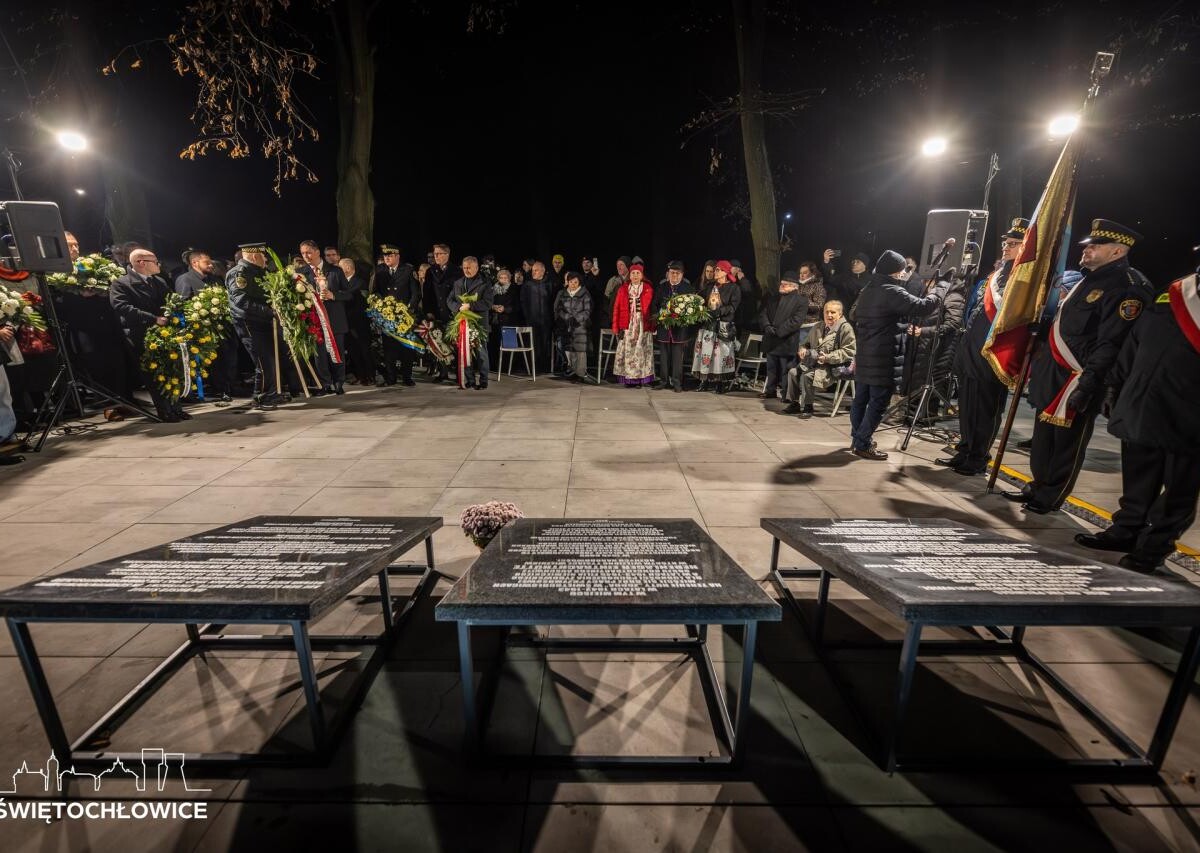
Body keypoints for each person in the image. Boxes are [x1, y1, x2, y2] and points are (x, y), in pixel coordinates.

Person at [1004, 219, 1153, 513]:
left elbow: (1111, 343)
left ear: (1117, 252)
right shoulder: (1087, 279)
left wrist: (1089, 384)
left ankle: (1051, 496)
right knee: (1044, 440)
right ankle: (1037, 486)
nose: (1087, 250)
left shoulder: (1127, 287)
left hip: (1079, 377)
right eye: (1088, 245)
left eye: (1096, 246)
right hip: (1053, 374)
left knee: (1066, 445)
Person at [1073, 266, 1200, 573]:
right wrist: (1115, 385)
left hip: (1189, 413)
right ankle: (1125, 531)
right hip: (1144, 402)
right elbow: (1135, 341)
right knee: (1138, 478)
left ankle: (1151, 551)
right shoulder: (1176, 291)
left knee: (1178, 492)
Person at [936, 218, 1027, 475]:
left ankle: (978, 457)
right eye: (1004, 243)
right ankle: (965, 449)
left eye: (1012, 244)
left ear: (1026, 246)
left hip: (992, 355)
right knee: (967, 406)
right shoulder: (997, 274)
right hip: (971, 350)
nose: (1005, 247)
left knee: (985, 409)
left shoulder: (1022, 278)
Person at [848, 250, 947, 460]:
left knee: (861, 399)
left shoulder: (868, 288)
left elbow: (855, 313)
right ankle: (863, 443)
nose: (904, 273)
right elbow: (923, 306)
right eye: (903, 269)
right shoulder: (891, 291)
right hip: (884, 355)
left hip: (866, 352)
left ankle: (857, 438)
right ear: (895, 270)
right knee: (878, 402)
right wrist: (941, 287)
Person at [109, 249, 187, 422]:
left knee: (171, 370)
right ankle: (164, 410)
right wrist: (153, 319)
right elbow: (122, 307)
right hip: (140, 334)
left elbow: (169, 301)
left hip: (163, 332)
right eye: (155, 261)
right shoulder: (121, 284)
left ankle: (176, 408)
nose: (159, 265)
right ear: (141, 262)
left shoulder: (158, 281)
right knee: (153, 374)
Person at [227, 242, 287, 408]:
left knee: (270, 358)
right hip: (249, 323)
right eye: (263, 255)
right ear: (254, 256)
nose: (266, 259)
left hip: (262, 321)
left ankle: (272, 393)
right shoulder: (240, 273)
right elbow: (241, 300)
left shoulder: (259, 272)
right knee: (263, 361)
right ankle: (261, 396)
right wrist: (269, 311)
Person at [782, 299, 856, 417]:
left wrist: (828, 357)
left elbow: (849, 351)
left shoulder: (845, 328)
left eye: (833, 312)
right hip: (813, 363)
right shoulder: (818, 326)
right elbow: (805, 343)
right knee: (792, 372)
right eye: (827, 312)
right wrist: (802, 349)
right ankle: (794, 403)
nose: (829, 315)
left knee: (807, 376)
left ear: (840, 314)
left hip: (831, 367)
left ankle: (808, 406)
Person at [757, 273, 810, 400]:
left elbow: (796, 321)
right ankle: (770, 391)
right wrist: (767, 327)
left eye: (784, 284)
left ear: (793, 287)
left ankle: (786, 394)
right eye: (781, 284)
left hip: (786, 339)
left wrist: (779, 331)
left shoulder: (801, 300)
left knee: (786, 369)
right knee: (771, 368)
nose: (781, 286)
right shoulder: (773, 298)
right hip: (771, 337)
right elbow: (763, 313)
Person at [692, 259, 741, 393]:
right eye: (715, 270)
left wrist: (719, 312)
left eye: (718, 270)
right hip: (708, 325)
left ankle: (720, 383)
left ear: (725, 272)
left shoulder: (733, 288)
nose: (715, 272)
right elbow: (700, 299)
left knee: (720, 355)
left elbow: (733, 306)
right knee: (706, 353)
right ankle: (704, 381)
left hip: (723, 325)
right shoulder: (709, 286)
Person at [374, 244, 419, 386]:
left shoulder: (407, 270)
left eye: (390, 256)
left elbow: (416, 293)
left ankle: (407, 377)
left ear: (397, 256)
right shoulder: (380, 270)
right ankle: (391, 377)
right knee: (389, 348)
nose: (387, 258)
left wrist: (408, 310)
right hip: (387, 316)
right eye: (385, 256)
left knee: (407, 348)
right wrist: (379, 307)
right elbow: (375, 291)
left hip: (404, 316)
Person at [446, 255, 494, 389]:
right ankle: (470, 380)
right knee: (465, 353)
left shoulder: (485, 282)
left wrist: (470, 306)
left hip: (479, 324)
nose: (466, 270)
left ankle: (484, 380)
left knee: (481, 353)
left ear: (477, 268)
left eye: (469, 268)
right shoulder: (458, 283)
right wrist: (458, 308)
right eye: (464, 267)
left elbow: (488, 303)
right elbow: (449, 300)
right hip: (462, 323)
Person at [651, 260, 696, 392]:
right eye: (672, 273)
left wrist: (684, 318)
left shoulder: (688, 289)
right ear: (668, 273)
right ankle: (663, 381)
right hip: (664, 327)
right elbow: (654, 305)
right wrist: (659, 315)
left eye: (677, 273)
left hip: (679, 329)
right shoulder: (662, 287)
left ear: (682, 275)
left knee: (677, 357)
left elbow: (691, 308)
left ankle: (677, 382)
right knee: (664, 356)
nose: (674, 276)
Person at [612, 262, 655, 387]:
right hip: (628, 324)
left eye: (638, 273)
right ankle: (629, 379)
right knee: (628, 351)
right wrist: (615, 327)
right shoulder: (623, 289)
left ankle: (640, 379)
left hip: (642, 325)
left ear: (642, 275)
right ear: (629, 276)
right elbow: (616, 308)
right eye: (633, 273)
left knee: (641, 351)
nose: (635, 275)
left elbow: (651, 309)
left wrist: (652, 326)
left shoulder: (648, 289)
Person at [423, 243, 459, 383]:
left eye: (438, 254)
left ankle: (458, 372)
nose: (435, 256)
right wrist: (429, 312)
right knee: (439, 342)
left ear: (447, 255)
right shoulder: (430, 271)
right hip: (436, 312)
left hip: (452, 312)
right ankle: (442, 372)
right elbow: (427, 294)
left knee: (454, 344)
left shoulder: (456, 271)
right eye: (434, 254)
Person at [554, 271, 592, 383]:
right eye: (571, 282)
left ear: (579, 282)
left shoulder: (585, 294)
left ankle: (581, 373)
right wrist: (566, 317)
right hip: (566, 326)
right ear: (568, 282)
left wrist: (577, 318)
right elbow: (559, 309)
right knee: (568, 349)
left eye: (575, 282)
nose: (573, 284)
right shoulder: (563, 294)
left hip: (579, 326)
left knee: (579, 350)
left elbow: (588, 310)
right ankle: (571, 371)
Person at [521, 260, 554, 373]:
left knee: (545, 344)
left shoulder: (549, 284)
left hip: (546, 320)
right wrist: (527, 317)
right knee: (533, 344)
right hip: (532, 320)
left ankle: (545, 367)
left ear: (543, 271)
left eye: (536, 270)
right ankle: (533, 368)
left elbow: (552, 302)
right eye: (533, 270)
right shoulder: (527, 285)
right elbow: (523, 302)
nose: (533, 272)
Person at [820, 249, 871, 315]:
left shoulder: (871, 280)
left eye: (858, 261)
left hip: (861, 315)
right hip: (843, 315)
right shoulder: (844, 277)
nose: (854, 263)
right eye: (853, 261)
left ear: (865, 265)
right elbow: (829, 279)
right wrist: (826, 262)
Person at [488, 266, 519, 366]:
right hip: (495, 321)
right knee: (494, 344)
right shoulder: (493, 289)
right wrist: (493, 307)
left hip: (508, 321)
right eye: (501, 278)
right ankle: (494, 365)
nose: (503, 280)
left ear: (509, 278)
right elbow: (488, 302)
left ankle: (508, 366)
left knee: (508, 344)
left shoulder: (513, 290)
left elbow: (516, 306)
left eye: (505, 278)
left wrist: (504, 309)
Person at [731, 259, 760, 334]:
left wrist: (742, 279)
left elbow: (748, 293)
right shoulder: (727, 279)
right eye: (733, 268)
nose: (736, 271)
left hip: (738, 317)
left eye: (737, 269)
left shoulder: (743, 281)